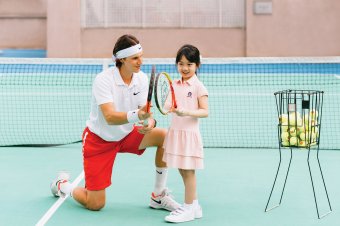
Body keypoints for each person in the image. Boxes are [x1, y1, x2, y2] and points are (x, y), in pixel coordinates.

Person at [50, 34, 180, 212]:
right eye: (135, 58)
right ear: (122, 59)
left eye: (141, 56)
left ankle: (158, 196)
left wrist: (150, 122)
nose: (140, 61)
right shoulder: (103, 80)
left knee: (165, 137)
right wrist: (138, 115)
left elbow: (145, 112)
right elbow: (110, 117)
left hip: (126, 135)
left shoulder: (141, 79)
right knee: (95, 204)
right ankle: (62, 185)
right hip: (99, 141)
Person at [163, 44, 209, 223]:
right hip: (176, 133)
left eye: (189, 64)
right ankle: (194, 206)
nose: (185, 68)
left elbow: (205, 111)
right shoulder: (174, 84)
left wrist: (186, 112)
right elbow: (167, 105)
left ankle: (188, 208)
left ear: (197, 65)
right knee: (183, 170)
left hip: (189, 135)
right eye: (181, 64)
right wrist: (168, 107)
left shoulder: (199, 86)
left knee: (189, 172)